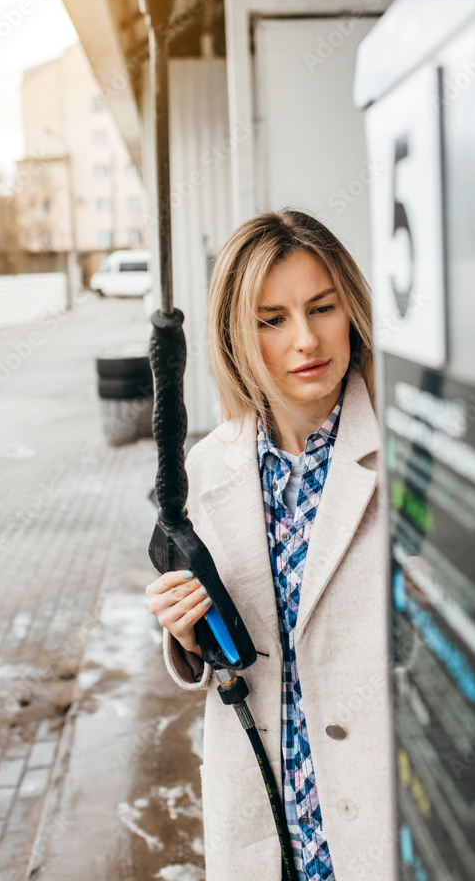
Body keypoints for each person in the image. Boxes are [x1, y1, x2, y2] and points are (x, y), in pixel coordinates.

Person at [146, 209, 395, 881]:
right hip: (266, 822)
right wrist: (183, 633)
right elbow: (223, 645)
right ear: (235, 335)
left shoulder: (408, 453)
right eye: (271, 319)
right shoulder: (208, 467)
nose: (306, 340)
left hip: (380, 819)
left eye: (322, 307)